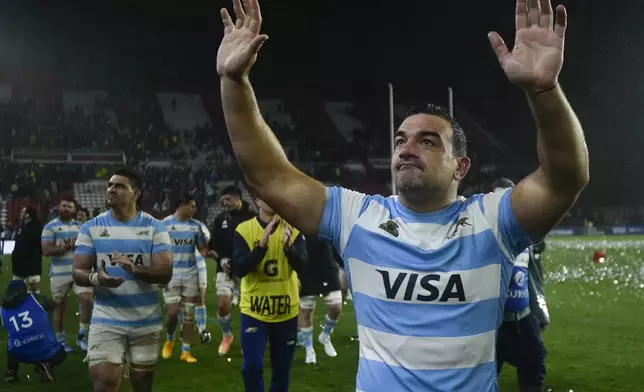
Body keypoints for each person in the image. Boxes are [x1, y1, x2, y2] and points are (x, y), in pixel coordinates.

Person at [216, 0, 589, 390]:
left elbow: (564, 179)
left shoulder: (493, 219)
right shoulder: (357, 216)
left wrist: (544, 91)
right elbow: (268, 177)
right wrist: (233, 80)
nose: (406, 148)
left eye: (427, 141)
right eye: (400, 139)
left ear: (460, 167)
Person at [72, 168, 173, 392]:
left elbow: (165, 273)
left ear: (135, 193)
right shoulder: (91, 227)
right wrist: (97, 278)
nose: (111, 189)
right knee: (104, 383)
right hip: (106, 318)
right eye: (110, 185)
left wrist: (134, 268)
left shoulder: (155, 227)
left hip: (145, 320)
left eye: (119, 186)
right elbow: (78, 271)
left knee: (142, 385)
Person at [232, 197, 307, 392]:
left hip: (286, 312)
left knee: (282, 371)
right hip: (254, 312)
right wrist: (261, 247)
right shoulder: (244, 230)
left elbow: (304, 269)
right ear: (257, 200)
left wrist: (290, 249)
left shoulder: (294, 229)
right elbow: (240, 269)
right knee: (251, 367)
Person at [492, 178, 548, 392]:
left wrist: (540, 311)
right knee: (481, 378)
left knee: (534, 370)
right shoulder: (480, 234)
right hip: (491, 325)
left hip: (524, 319)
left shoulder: (526, 235)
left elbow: (534, 277)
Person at [161, 195, 215, 363]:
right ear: (181, 205)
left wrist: (209, 253)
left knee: (189, 315)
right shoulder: (164, 225)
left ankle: (186, 351)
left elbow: (202, 250)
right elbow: (157, 250)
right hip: (171, 274)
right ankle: (169, 339)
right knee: (172, 313)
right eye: (191, 206)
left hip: (191, 273)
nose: (194, 209)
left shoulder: (196, 227)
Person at [42, 198, 94, 353]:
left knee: (87, 300)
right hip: (59, 273)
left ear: (74, 210)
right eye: (63, 206)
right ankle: (60, 340)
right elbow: (46, 250)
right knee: (59, 307)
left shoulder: (81, 227)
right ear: (59, 207)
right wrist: (67, 246)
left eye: (69, 207)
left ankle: (82, 336)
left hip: (80, 271)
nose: (66, 209)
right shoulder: (50, 227)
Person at [210, 185, 255, 355]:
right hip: (225, 268)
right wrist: (221, 259)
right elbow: (214, 245)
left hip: (248, 268)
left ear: (238, 198)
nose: (224, 204)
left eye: (227, 200)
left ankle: (249, 340)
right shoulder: (220, 219)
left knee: (249, 307)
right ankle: (227, 336)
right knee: (222, 305)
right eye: (222, 201)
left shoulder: (253, 218)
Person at [1, 280, 66, 383]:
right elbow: (54, 307)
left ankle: (11, 372)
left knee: (12, 340)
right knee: (62, 353)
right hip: (45, 349)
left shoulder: (3, 310)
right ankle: (45, 365)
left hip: (19, 353)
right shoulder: (36, 298)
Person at [297, 236, 343, 365]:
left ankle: (325, 335)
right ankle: (309, 348)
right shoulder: (297, 220)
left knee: (336, 307)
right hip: (305, 268)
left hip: (327, 266)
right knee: (306, 311)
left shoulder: (325, 218)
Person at [11, 207, 43, 294]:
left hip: (32, 265)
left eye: (22, 212)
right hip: (19, 265)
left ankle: (35, 306)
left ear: (27, 215)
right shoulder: (22, 227)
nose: (20, 214)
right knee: (17, 291)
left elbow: (41, 247)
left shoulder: (37, 228)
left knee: (34, 291)